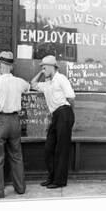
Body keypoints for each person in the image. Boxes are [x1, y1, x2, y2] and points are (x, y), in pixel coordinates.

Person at [0, 51, 30, 198]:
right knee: (17, 155)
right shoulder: (20, 82)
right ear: (11, 66)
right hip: (15, 121)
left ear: (1, 65)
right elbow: (28, 87)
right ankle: (20, 187)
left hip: (1, 120)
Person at [30, 55, 75, 189]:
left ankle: (59, 181)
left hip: (64, 112)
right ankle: (52, 177)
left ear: (52, 67)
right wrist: (41, 73)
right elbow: (32, 84)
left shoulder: (61, 78)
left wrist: (70, 115)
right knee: (49, 148)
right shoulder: (47, 84)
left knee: (61, 149)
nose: (43, 69)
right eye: (42, 67)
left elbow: (71, 97)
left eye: (45, 67)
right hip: (55, 115)